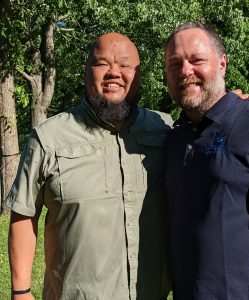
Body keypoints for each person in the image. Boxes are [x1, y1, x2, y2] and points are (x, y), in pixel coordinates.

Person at [6, 32, 173, 300]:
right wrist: (21, 291)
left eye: (125, 64)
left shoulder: (165, 130)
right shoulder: (49, 138)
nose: (114, 73)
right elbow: (24, 213)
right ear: (86, 72)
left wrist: (234, 104)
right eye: (102, 64)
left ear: (139, 74)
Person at [164, 20, 249, 300]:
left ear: (222, 64)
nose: (186, 71)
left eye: (196, 60)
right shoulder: (173, 138)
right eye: (175, 64)